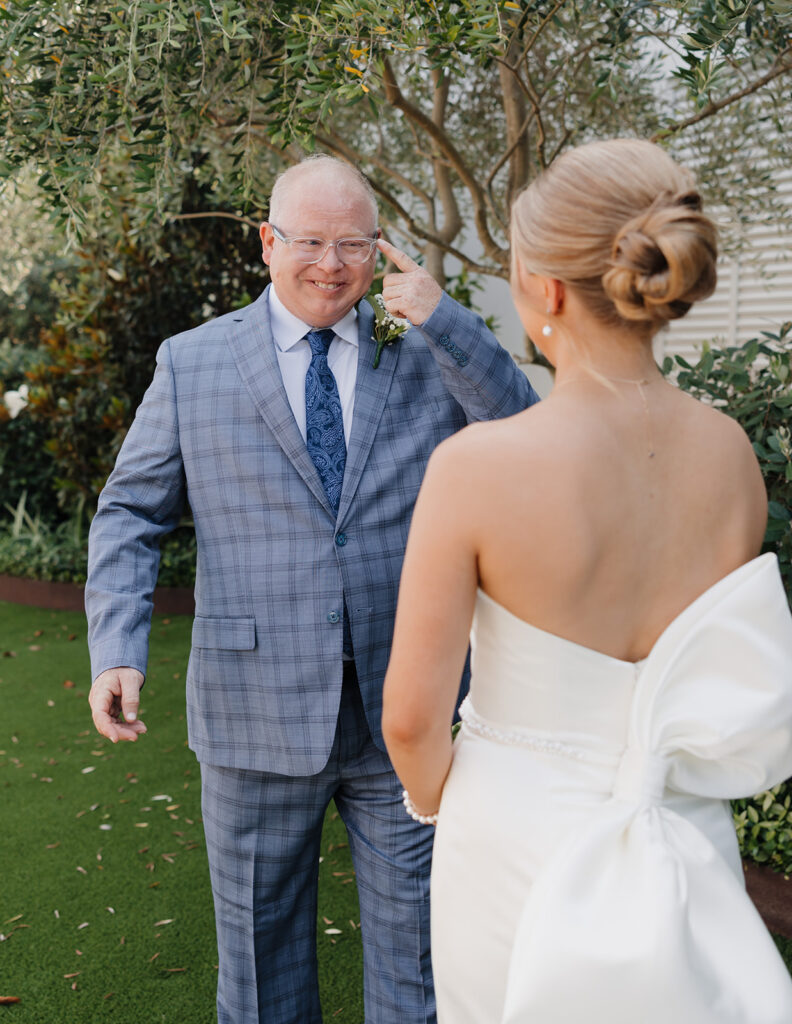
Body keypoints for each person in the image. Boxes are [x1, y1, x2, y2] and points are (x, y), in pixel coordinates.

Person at [85, 155, 538, 1024]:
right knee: (260, 972)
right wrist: (118, 650)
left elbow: (523, 437)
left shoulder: (424, 348)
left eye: (355, 245)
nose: (332, 265)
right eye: (311, 242)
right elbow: (129, 512)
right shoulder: (193, 363)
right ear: (268, 243)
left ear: (379, 251)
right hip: (251, 714)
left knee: (420, 960)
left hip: (404, 711)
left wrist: (451, 322)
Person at [382, 138, 792, 1023]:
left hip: (514, 841)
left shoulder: (477, 467)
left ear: (544, 291)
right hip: (681, 828)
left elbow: (410, 720)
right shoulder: (730, 455)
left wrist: (452, 808)